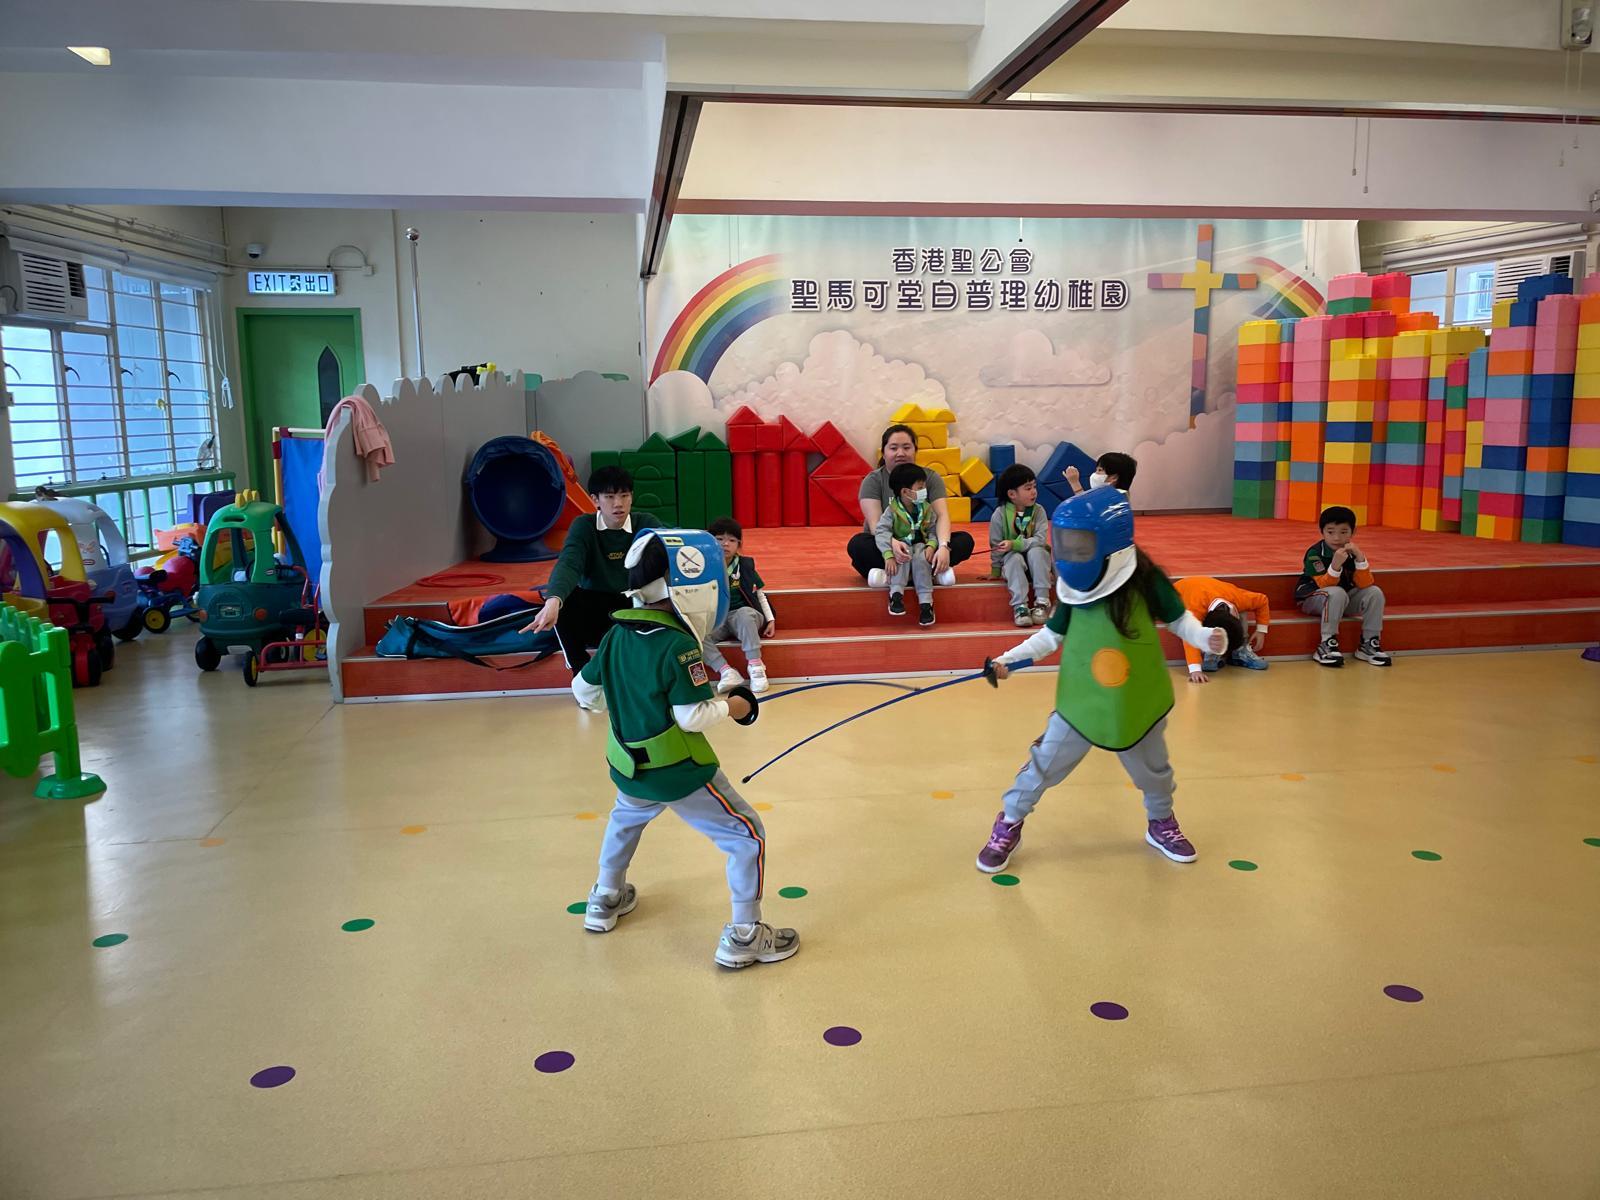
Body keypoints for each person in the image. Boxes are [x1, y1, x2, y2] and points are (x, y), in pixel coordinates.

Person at [571, 528, 799, 970]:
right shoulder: (678, 645)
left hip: (628, 765)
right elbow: (691, 717)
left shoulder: (616, 635)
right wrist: (733, 705)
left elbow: (584, 693)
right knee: (746, 836)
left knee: (624, 821)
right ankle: (745, 935)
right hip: (678, 771)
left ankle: (605, 897)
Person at [976, 488, 1226, 874]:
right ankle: (1009, 822)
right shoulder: (1073, 590)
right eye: (1067, 543)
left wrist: (1204, 637)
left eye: (1082, 543)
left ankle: (1161, 822)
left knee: (1154, 772)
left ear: (1110, 543)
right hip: (1081, 701)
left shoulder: (1145, 580)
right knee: (1042, 764)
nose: (1073, 552)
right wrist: (1007, 660)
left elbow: (1178, 619)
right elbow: (1050, 637)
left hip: (1137, 700)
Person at [525, 465, 660, 676]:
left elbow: (675, 543)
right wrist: (553, 600)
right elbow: (569, 563)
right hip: (595, 611)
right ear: (595, 500)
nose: (618, 503)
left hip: (633, 606)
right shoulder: (584, 526)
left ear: (631, 497)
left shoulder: (646, 523)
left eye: (624, 496)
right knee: (563, 599)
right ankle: (582, 674)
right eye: (609, 497)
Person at [847, 424, 975, 582]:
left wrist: (943, 546)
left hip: (925, 546)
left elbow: (942, 515)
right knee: (858, 545)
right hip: (889, 545)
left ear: (915, 451)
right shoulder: (873, 481)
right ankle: (926, 574)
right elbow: (876, 525)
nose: (900, 453)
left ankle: (894, 576)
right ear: (884, 453)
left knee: (964, 541)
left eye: (906, 447)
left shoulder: (931, 478)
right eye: (893, 448)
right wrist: (892, 545)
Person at [1295, 505, 1391, 668]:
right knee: (1336, 592)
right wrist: (1335, 566)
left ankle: (1369, 643)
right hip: (1312, 600)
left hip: (1342, 600)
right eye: (1330, 532)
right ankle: (1327, 643)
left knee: (1375, 592)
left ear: (1353, 532)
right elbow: (1325, 585)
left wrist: (1360, 558)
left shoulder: (1352, 552)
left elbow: (1365, 584)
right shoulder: (1315, 553)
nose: (1337, 538)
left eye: (1343, 532)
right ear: (1322, 532)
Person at [700, 517, 776, 695]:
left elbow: (759, 594)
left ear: (739, 544)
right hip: (717, 619)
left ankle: (755, 666)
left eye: (732, 540)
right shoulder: (703, 565)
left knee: (744, 613)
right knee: (694, 633)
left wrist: (770, 619)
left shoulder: (744, 565)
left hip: (743, 617)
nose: (725, 544)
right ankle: (726, 671)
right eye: (719, 539)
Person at [871, 462, 949, 625]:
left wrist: (932, 545)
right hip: (900, 547)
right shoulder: (892, 511)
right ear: (905, 492)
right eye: (920, 487)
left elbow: (933, 530)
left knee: (921, 556)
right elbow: (881, 532)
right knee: (903, 554)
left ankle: (926, 603)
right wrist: (888, 555)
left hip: (921, 547)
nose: (924, 490)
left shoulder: (927, 509)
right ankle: (896, 595)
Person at [1173, 575, 1271, 683]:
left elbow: (1262, 600)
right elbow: (1189, 636)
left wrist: (1261, 630)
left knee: (1243, 612)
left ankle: (1239, 651)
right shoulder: (1194, 610)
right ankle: (1211, 652)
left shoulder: (1239, 598)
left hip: (1212, 590)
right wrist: (1195, 670)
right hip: (1179, 594)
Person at [989, 463, 1052, 627]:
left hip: (1036, 566)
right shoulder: (999, 514)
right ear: (1012, 494)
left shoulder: (1039, 511)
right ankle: (1020, 607)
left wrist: (1015, 544)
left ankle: (1042, 602)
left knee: (1037, 551)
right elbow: (995, 544)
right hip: (1013, 567)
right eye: (1028, 488)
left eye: (1034, 487)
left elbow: (1040, 539)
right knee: (1013, 557)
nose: (1034, 492)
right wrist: (995, 570)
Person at [1063, 451, 1137, 496]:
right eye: (1096, 470)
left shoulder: (1114, 497)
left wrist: (1074, 483)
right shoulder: (1118, 494)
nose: (1095, 474)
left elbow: (1085, 506)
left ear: (1114, 477)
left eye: (1100, 470)